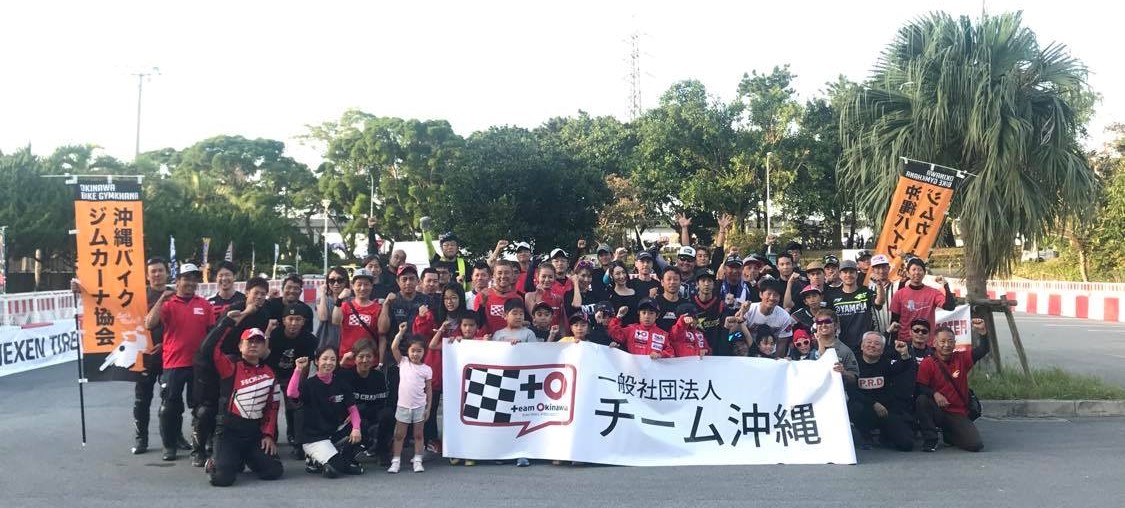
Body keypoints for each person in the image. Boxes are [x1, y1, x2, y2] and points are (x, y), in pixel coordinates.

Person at [196, 314, 284, 487]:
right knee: (222, 479)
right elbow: (207, 349)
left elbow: (272, 407)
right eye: (249, 341)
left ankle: (241, 458)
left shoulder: (270, 373)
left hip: (253, 433)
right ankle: (216, 461)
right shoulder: (230, 366)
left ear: (264, 347)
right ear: (240, 346)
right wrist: (226, 323)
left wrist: (268, 435)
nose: (253, 345)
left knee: (273, 471)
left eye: (258, 342)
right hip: (228, 432)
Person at [192, 276, 271, 466]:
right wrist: (246, 312)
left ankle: (227, 443)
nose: (259, 297)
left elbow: (260, 344)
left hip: (241, 364)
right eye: (256, 293)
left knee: (234, 405)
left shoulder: (264, 314)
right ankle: (198, 449)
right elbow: (220, 333)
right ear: (247, 293)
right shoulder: (235, 308)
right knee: (207, 408)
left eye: (263, 294)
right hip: (216, 361)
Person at [144, 262, 214, 461]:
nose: (190, 283)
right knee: (169, 407)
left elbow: (211, 333)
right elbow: (149, 324)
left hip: (198, 365)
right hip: (173, 363)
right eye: (186, 279)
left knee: (200, 408)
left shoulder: (204, 305)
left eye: (194, 279)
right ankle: (169, 446)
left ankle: (199, 447)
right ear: (177, 281)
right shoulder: (168, 303)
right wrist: (161, 299)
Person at [288, 346, 365, 478]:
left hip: (333, 432)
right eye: (324, 359)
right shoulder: (309, 384)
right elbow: (291, 393)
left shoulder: (341, 383)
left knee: (364, 426)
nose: (328, 363)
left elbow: (353, 409)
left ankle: (341, 458)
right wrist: (298, 369)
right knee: (335, 470)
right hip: (314, 438)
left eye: (332, 359)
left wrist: (356, 428)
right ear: (316, 361)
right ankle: (315, 459)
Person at [916, 320, 991, 452]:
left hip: (957, 412)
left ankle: (949, 434)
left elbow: (983, 350)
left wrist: (982, 332)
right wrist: (935, 394)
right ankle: (931, 439)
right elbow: (920, 386)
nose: (946, 345)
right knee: (922, 400)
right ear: (934, 343)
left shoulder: (962, 358)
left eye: (950, 341)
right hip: (938, 409)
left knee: (975, 445)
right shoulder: (927, 363)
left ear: (955, 343)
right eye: (942, 341)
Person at [413, 282, 466, 455]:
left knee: (458, 407)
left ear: (461, 299)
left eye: (454, 298)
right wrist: (422, 318)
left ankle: (458, 440)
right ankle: (431, 440)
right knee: (431, 405)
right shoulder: (434, 315)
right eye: (446, 298)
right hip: (435, 367)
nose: (450, 302)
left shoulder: (467, 318)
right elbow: (420, 334)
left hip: (458, 370)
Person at [266, 303, 318, 459]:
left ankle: (297, 439)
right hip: (273, 373)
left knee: (296, 404)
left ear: (303, 321)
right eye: (290, 319)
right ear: (284, 320)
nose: (294, 323)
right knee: (270, 405)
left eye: (298, 319)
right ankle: (271, 437)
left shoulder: (309, 339)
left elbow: (306, 366)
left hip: (294, 375)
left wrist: (299, 387)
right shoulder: (275, 335)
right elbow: (265, 356)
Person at [850, 331, 915, 451]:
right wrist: (873, 403)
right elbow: (851, 391)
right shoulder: (853, 363)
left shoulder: (887, 363)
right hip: (865, 408)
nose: (872, 345)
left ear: (882, 350)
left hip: (886, 410)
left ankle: (885, 435)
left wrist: (904, 354)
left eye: (877, 344)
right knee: (854, 407)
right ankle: (865, 435)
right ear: (862, 346)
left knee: (906, 445)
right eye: (869, 342)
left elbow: (904, 367)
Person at [337, 338, 395, 466]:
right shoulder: (346, 375)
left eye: (368, 356)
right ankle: (351, 451)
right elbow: (330, 377)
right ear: (354, 358)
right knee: (360, 422)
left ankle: (382, 450)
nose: (365, 360)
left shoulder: (379, 377)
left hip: (371, 413)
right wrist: (343, 361)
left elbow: (382, 404)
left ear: (374, 358)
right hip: (351, 417)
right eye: (361, 356)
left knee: (388, 414)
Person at [387, 323, 433, 473]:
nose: (415, 354)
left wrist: (428, 408)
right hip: (403, 406)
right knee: (399, 435)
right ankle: (396, 461)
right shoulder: (403, 362)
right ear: (408, 351)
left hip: (419, 406)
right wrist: (400, 333)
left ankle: (418, 460)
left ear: (424, 352)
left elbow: (429, 390)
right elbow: (394, 347)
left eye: (419, 351)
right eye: (413, 351)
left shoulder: (427, 369)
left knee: (418, 435)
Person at [890, 257, 956, 343]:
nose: (917, 272)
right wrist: (893, 342)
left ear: (924, 273)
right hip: (905, 341)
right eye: (913, 269)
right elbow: (894, 320)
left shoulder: (933, 293)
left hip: (927, 342)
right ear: (908, 273)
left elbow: (950, 307)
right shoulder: (899, 294)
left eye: (920, 270)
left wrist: (946, 285)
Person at [824, 260, 882, 351]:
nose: (848, 275)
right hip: (842, 344)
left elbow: (879, 302)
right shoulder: (832, 295)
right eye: (845, 272)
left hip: (865, 345)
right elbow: (827, 318)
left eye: (851, 272)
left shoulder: (866, 292)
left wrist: (879, 285)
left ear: (857, 274)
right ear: (840, 275)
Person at [332, 268, 384, 368]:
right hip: (347, 359)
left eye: (366, 284)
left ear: (372, 286)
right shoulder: (345, 306)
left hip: (368, 361)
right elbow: (335, 321)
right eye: (359, 284)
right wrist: (339, 300)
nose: (362, 288)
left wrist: (380, 362)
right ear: (352, 286)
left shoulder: (378, 308)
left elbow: (382, 336)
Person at [736, 281, 795, 357]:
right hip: (748, 351)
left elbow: (782, 343)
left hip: (771, 353)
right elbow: (735, 333)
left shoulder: (784, 316)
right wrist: (741, 315)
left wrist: (777, 361)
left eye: (776, 295)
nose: (772, 298)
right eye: (769, 294)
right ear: (761, 294)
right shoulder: (748, 310)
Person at [607, 298, 674, 359]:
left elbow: (671, 352)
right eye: (644, 313)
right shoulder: (631, 329)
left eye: (651, 313)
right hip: (634, 367)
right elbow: (614, 333)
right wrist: (618, 318)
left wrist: (660, 354)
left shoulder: (663, 334)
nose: (647, 316)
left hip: (654, 368)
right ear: (639, 313)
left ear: (657, 315)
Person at [472, 260, 521, 335]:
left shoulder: (518, 298)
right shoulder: (482, 295)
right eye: (499, 273)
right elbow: (477, 323)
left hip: (509, 340)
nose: (503, 276)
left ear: (512, 275)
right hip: (487, 340)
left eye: (507, 273)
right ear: (494, 276)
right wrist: (483, 305)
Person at [421, 218, 471, 292]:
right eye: (446, 245)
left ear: (457, 248)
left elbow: (469, 289)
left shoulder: (465, 264)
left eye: (453, 244)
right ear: (441, 248)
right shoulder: (435, 260)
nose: (450, 247)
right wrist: (425, 231)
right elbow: (429, 244)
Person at [812, 308, 860, 384]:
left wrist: (843, 372)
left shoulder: (845, 351)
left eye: (827, 322)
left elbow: (854, 379)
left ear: (835, 325)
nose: (823, 325)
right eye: (819, 322)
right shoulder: (807, 346)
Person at [690, 268, 727, 357]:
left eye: (710, 281)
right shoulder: (690, 304)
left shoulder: (720, 304)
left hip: (716, 353)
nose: (706, 284)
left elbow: (724, 330)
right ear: (697, 284)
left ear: (714, 284)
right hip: (694, 353)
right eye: (703, 281)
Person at [315, 266, 349, 349]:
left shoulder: (351, 300)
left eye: (340, 280)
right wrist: (322, 294)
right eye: (332, 281)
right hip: (325, 342)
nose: (336, 284)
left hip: (345, 342)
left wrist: (340, 298)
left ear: (346, 281)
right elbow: (323, 317)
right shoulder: (322, 299)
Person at [867, 254, 898, 333]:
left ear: (889, 268)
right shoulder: (868, 289)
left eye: (884, 267)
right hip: (875, 334)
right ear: (872, 270)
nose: (881, 271)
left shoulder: (897, 287)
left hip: (894, 332)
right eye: (877, 268)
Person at [607, 261, 640, 326]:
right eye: (617, 274)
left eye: (623, 272)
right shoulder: (610, 295)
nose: (622, 276)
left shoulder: (635, 291)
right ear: (611, 275)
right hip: (619, 330)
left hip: (636, 330)